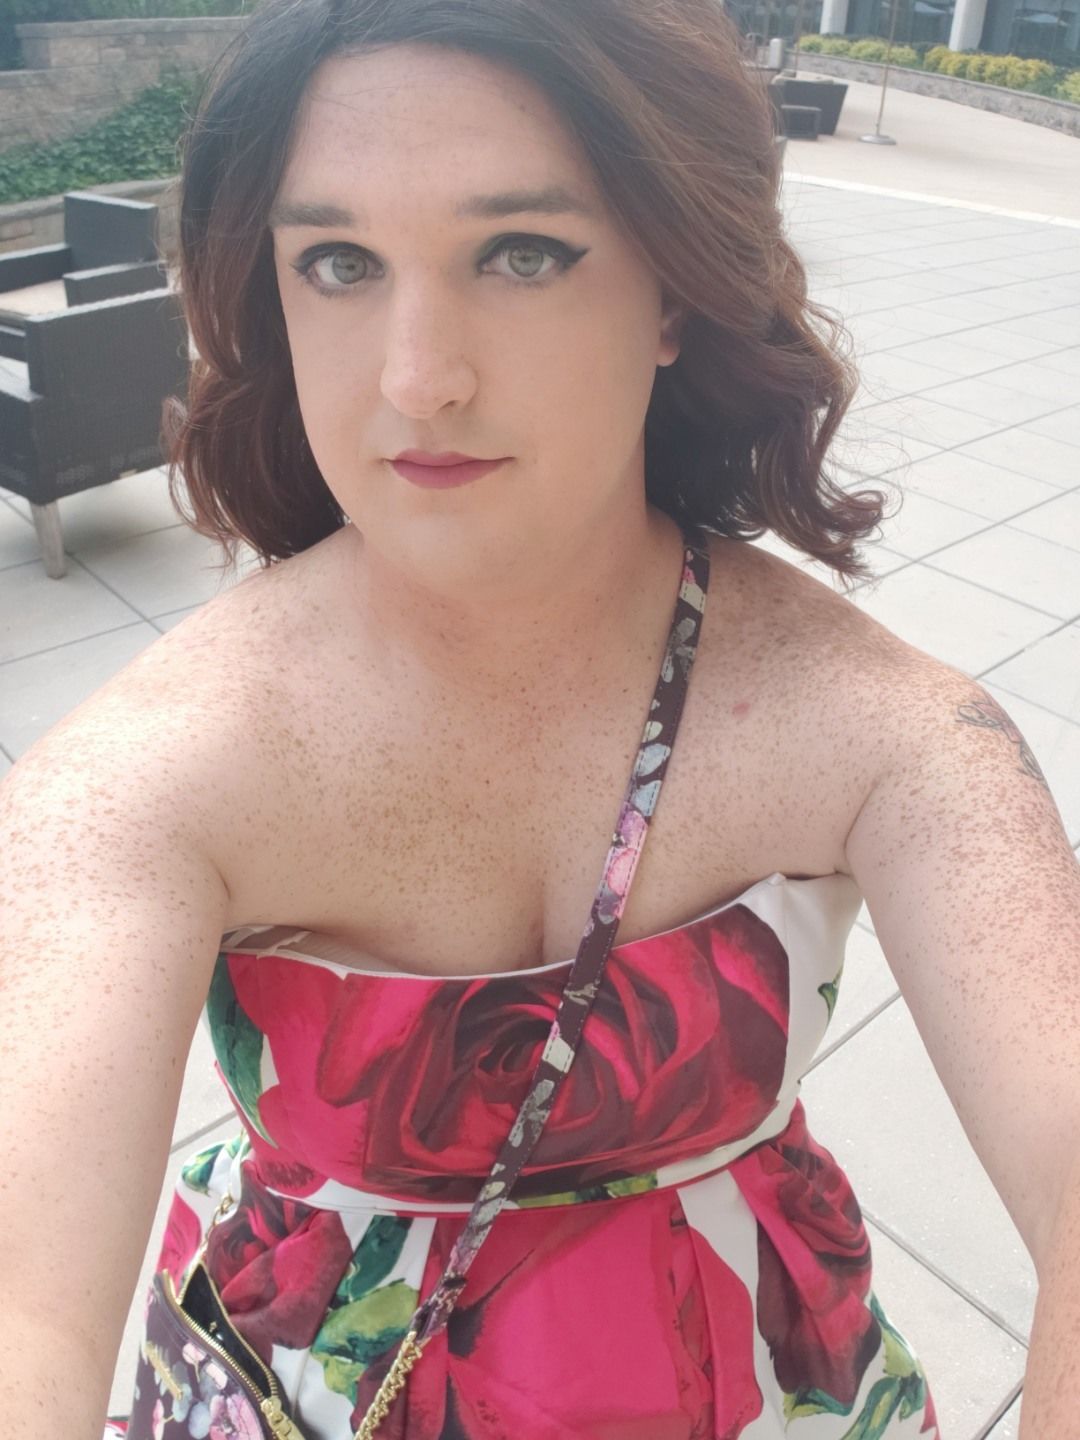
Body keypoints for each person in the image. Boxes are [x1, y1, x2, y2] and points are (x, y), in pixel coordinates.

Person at [1, 0, 1077, 1436]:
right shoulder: (139, 780)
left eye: (521, 252)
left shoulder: (888, 733)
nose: (417, 378)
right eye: (339, 263)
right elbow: (25, 1306)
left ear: (676, 290)